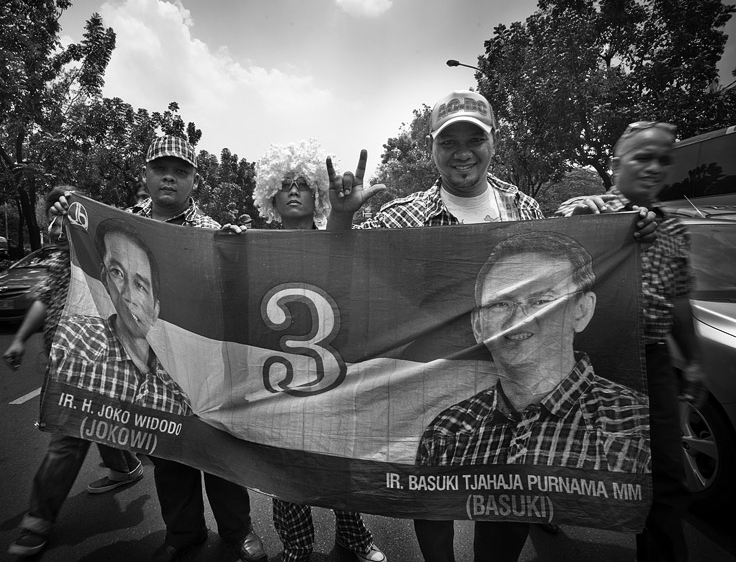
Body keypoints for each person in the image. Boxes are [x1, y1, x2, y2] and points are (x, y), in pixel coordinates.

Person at [327, 89, 551, 562]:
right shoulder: (402, 217)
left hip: (512, 385)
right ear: (431, 147)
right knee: (432, 496)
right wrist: (341, 218)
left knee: (508, 500)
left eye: (475, 139)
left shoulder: (525, 209)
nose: (462, 153)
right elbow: (342, 267)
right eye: (449, 142)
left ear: (494, 142)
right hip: (432, 386)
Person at [50, 135, 266, 562]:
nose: (170, 177)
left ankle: (238, 531)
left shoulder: (213, 232)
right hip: (147, 367)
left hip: (203, 367)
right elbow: (75, 258)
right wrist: (62, 219)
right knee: (168, 457)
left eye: (181, 171)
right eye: (161, 169)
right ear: (144, 175)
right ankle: (183, 533)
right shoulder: (116, 223)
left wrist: (237, 253)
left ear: (194, 181)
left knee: (219, 453)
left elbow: (235, 293)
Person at [556, 121, 707, 562]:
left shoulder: (675, 228)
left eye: (663, 159)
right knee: (554, 461)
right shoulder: (588, 211)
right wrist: (592, 226)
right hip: (590, 362)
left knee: (664, 476)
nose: (654, 167)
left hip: (653, 362)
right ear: (615, 164)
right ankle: (540, 514)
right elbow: (562, 228)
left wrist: (693, 359)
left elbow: (678, 299)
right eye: (643, 157)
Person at [252, 139, 387, 562]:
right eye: (285, 184)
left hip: (336, 374)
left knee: (340, 459)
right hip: (279, 380)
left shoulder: (340, 240)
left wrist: (343, 216)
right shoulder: (252, 246)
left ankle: (353, 534)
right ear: (270, 196)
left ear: (318, 195)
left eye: (303, 184)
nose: (294, 190)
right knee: (286, 468)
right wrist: (226, 246)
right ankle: (296, 545)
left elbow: (341, 252)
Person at [416, 231, 650, 473]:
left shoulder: (636, 424)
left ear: (581, 310)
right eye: (500, 304)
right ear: (478, 326)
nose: (519, 320)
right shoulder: (447, 431)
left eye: (541, 302)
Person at [4, 187, 144, 557]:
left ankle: (37, 521)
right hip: (61, 358)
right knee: (97, 421)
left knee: (67, 436)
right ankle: (125, 466)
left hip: (94, 358)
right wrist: (19, 340)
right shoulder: (58, 260)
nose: (59, 222)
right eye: (56, 214)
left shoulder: (104, 254)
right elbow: (44, 301)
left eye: (68, 212)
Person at [50, 218, 194, 416]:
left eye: (140, 286)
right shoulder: (77, 340)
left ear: (155, 310)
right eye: (117, 273)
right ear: (104, 278)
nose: (128, 295)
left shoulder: (178, 385)